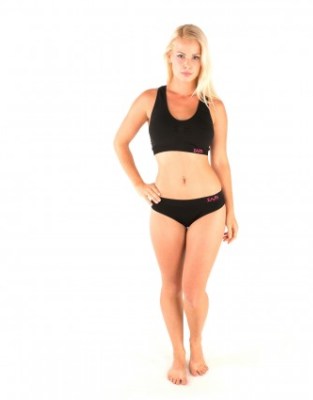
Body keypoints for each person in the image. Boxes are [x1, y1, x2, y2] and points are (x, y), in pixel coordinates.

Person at [113, 24, 238, 385]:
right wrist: (139, 184)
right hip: (165, 207)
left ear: (203, 62)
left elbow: (221, 161)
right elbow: (120, 142)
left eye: (195, 57)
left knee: (192, 291)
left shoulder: (214, 106)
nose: (187, 63)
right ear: (169, 56)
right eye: (181, 55)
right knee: (170, 285)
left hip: (209, 206)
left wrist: (232, 211)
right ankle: (178, 353)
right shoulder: (148, 100)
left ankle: (196, 342)